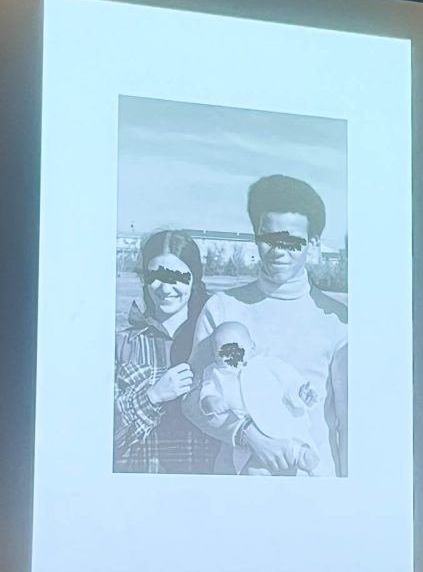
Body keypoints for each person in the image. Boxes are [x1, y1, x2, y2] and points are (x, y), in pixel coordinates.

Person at [183, 175, 347, 476]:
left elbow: (349, 428)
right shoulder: (222, 307)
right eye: (268, 239)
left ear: (313, 243)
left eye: (291, 241)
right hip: (237, 490)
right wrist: (247, 434)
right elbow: (193, 399)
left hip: (314, 493)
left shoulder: (338, 323)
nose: (278, 251)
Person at [114, 230, 215, 474]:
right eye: (156, 276)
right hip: (141, 491)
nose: (165, 287)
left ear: (194, 279)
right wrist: (152, 396)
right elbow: (100, 439)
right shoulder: (122, 344)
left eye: (177, 276)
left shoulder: (214, 343)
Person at [196, 321, 319, 476]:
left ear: (251, 347)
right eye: (223, 351)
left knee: (292, 441)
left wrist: (301, 394)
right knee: (254, 469)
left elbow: (290, 383)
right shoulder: (214, 373)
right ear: (214, 355)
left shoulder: (267, 364)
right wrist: (211, 402)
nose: (231, 355)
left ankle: (303, 456)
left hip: (278, 420)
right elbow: (206, 395)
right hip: (249, 436)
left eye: (236, 348)